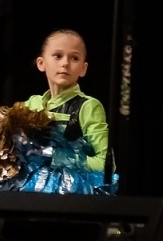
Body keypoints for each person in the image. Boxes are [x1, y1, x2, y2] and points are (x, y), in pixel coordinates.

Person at [24, 28, 110, 179]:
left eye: (74, 58)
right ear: (41, 63)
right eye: (57, 56)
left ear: (83, 69)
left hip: (69, 196)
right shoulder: (30, 105)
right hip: (30, 194)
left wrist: (61, 158)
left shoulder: (88, 106)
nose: (65, 63)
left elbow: (106, 163)